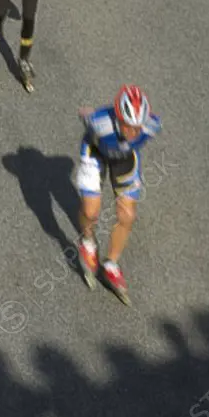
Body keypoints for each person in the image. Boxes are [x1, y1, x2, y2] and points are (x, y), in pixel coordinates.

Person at [75, 86, 162, 304]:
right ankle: (87, 242)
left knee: (127, 216)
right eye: (127, 125)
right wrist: (86, 113)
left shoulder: (151, 126)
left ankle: (110, 265)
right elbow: (85, 115)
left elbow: (138, 135)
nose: (133, 132)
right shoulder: (99, 123)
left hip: (124, 159)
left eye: (137, 127)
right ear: (117, 117)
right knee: (91, 211)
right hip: (95, 153)